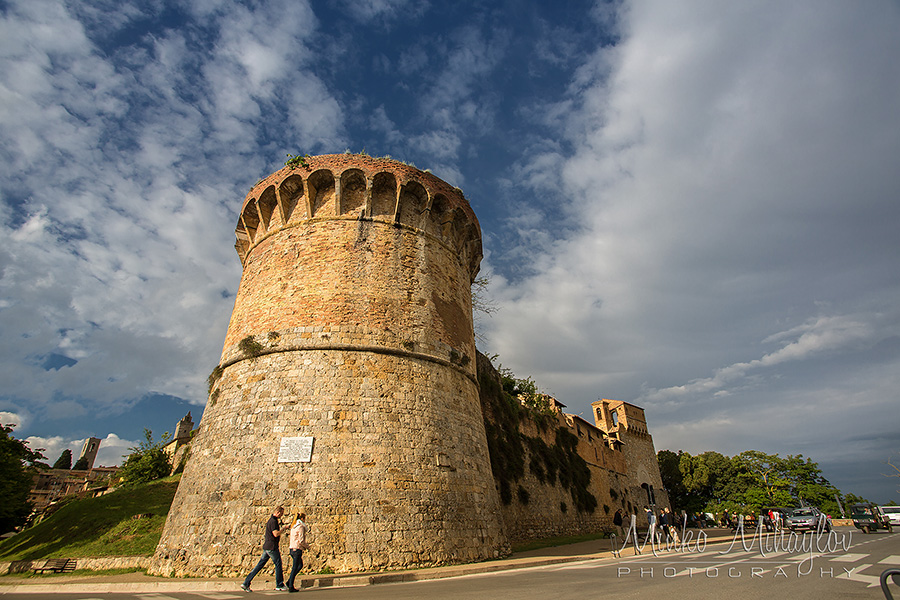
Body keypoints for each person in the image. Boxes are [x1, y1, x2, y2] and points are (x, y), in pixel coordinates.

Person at [242, 506, 287, 592]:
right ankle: (279, 584)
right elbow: (275, 534)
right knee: (278, 564)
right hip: (272, 547)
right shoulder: (273, 521)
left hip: (267, 547)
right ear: (278, 512)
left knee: (259, 565)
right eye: (281, 514)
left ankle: (246, 583)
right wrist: (283, 529)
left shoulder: (270, 520)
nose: (281, 515)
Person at [287, 512, 309, 593]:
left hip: (292, 548)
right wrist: (307, 547)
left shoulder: (293, 526)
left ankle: (289, 581)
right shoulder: (301, 527)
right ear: (302, 519)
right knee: (295, 567)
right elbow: (301, 540)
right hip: (297, 549)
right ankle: (290, 585)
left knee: (299, 565)